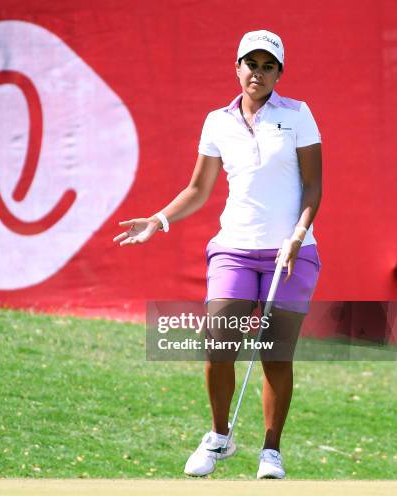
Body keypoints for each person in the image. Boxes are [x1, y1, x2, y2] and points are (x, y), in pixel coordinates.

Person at [113, 30, 322, 479]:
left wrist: (298, 235)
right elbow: (198, 188)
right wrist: (158, 220)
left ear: (278, 73)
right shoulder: (217, 122)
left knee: (275, 352)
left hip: (291, 251)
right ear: (237, 67)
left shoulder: (298, 115)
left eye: (269, 66)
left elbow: (313, 185)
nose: (258, 73)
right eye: (251, 64)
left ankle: (271, 451)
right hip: (235, 249)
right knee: (218, 343)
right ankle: (220, 436)